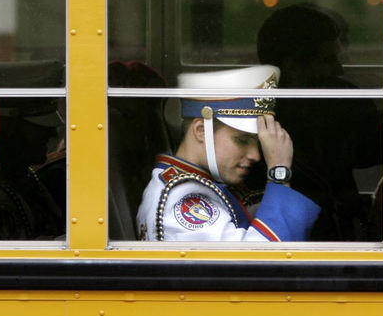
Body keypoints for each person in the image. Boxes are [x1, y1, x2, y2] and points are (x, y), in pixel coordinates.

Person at [135, 65, 319, 242]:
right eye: (242, 140)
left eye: (257, 143)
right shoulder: (181, 203)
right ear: (201, 130)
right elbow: (264, 262)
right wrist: (279, 173)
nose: (256, 156)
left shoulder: (197, 184)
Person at [257, 4, 383, 241]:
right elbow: (372, 149)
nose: (339, 69)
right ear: (292, 66)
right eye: (327, 60)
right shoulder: (337, 101)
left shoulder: (258, 109)